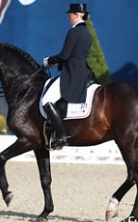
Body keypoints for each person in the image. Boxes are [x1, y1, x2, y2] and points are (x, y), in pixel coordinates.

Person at [42, 3, 92, 149]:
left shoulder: (74, 32)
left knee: (46, 100)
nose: (69, 18)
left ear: (77, 15)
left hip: (72, 73)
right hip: (82, 71)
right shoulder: (87, 33)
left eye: (70, 15)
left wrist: (48, 61)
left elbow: (64, 56)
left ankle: (62, 136)